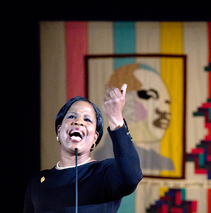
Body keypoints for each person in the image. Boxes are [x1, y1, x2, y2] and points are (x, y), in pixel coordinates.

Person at [23, 84, 143, 213]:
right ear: (59, 131)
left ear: (94, 139)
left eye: (87, 119)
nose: (79, 122)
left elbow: (131, 176)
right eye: (71, 117)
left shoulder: (104, 173)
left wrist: (115, 118)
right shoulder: (37, 183)